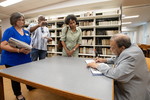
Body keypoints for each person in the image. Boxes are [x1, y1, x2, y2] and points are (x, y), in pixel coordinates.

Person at [87, 33, 150, 100]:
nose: (111, 49)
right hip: (131, 84)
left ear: (122, 48)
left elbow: (116, 74)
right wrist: (104, 60)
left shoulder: (130, 56)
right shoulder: (130, 48)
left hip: (132, 94)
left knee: (98, 92)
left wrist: (97, 66)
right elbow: (120, 58)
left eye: (113, 48)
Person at [0, 12, 35, 100]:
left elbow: (27, 42)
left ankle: (29, 86)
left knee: (27, 74)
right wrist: (19, 50)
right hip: (12, 59)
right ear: (14, 20)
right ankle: (18, 94)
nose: (21, 21)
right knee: (15, 78)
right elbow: (3, 45)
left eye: (22, 20)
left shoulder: (26, 31)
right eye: (19, 19)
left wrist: (29, 48)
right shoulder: (10, 30)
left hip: (25, 58)